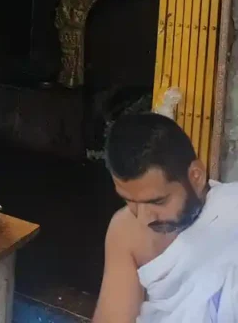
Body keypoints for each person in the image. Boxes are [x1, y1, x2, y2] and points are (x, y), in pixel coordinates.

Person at [94, 112, 238, 322]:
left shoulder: (232, 214)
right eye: (130, 200)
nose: (144, 218)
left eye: (157, 202)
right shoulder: (126, 230)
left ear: (196, 177)